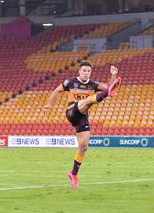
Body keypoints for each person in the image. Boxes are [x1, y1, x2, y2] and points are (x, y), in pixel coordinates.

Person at [46, 62, 121, 190]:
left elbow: (109, 87)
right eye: (84, 71)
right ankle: (104, 95)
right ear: (79, 71)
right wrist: (49, 104)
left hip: (82, 117)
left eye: (88, 71)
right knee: (87, 101)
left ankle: (73, 174)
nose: (86, 73)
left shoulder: (93, 85)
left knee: (84, 146)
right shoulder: (70, 82)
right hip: (72, 111)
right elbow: (56, 91)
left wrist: (113, 75)